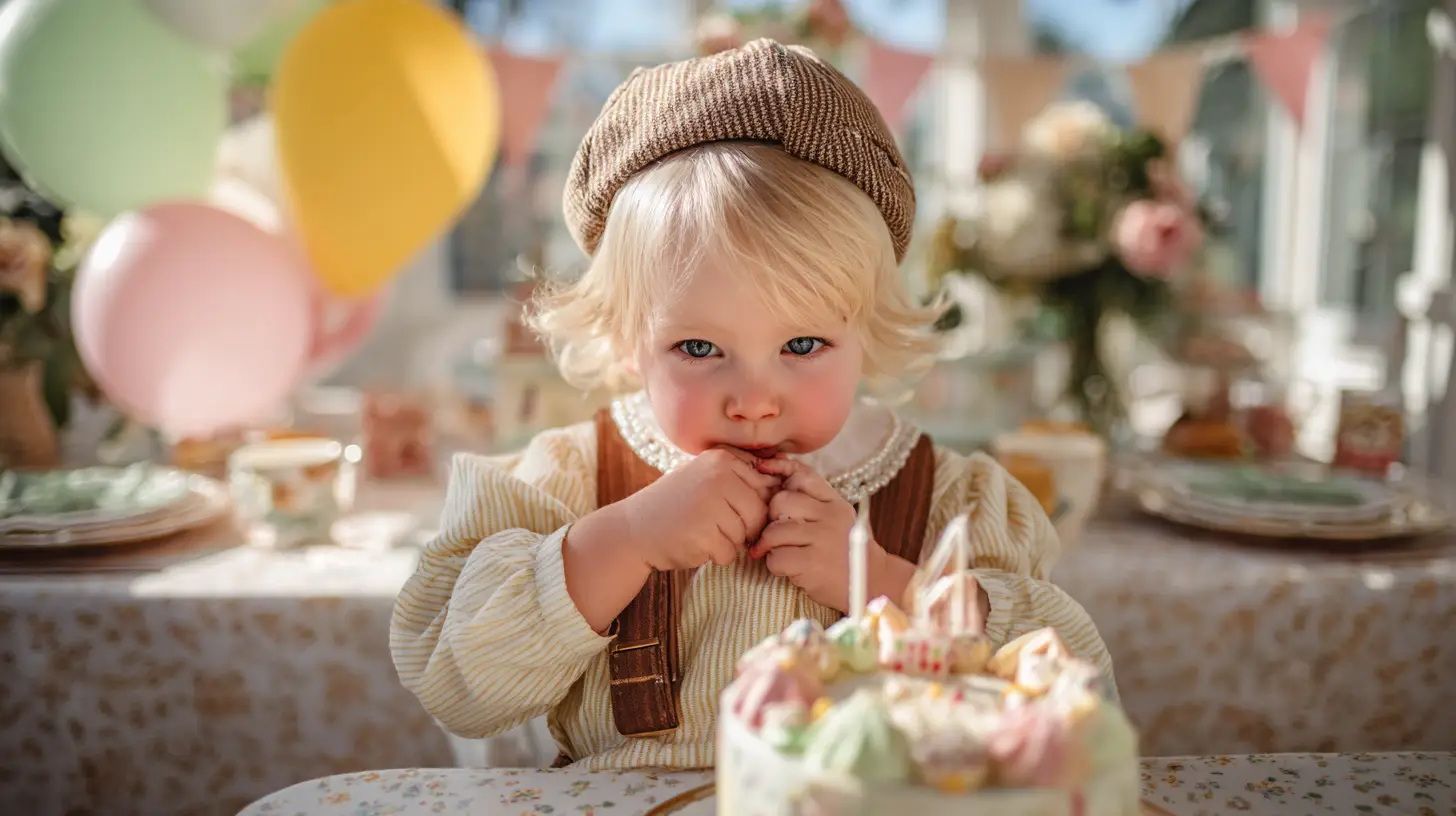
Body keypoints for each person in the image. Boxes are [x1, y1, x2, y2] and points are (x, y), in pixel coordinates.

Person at [391, 38, 1113, 771]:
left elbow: (1077, 689)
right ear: (626, 338)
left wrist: (884, 585)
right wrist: (624, 540)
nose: (756, 403)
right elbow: (459, 688)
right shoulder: (570, 481)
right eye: (700, 350)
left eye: (802, 346)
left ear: (866, 328)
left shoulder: (949, 501)